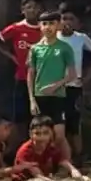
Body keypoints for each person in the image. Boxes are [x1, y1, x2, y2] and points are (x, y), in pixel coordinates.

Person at [0, 0, 45, 142]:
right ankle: (22, 148)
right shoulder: (16, 28)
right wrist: (12, 57)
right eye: (28, 7)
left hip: (43, 79)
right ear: (22, 10)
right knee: (20, 117)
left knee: (42, 117)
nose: (32, 10)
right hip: (22, 78)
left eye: (35, 7)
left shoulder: (45, 29)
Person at [7, 114, 91, 181]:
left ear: (51, 133)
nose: (41, 137)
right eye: (37, 134)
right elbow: (40, 177)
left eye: (45, 133)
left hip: (49, 180)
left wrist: (74, 171)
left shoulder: (51, 147)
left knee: (84, 180)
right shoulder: (25, 151)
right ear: (30, 134)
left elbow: (64, 162)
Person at [27, 9, 76, 152]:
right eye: (44, 23)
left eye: (51, 23)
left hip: (58, 96)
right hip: (39, 96)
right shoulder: (35, 49)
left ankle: (66, 165)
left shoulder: (65, 48)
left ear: (58, 25)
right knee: (40, 135)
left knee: (59, 135)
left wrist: (56, 85)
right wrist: (32, 99)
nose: (48, 27)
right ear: (40, 26)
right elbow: (30, 74)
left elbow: (72, 74)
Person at [59, 5, 91, 158]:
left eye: (71, 19)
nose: (67, 22)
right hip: (55, 86)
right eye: (64, 18)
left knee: (74, 123)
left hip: (74, 85)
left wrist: (88, 77)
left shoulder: (81, 38)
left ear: (78, 23)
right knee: (58, 123)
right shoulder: (52, 37)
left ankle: (78, 157)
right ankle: (62, 158)